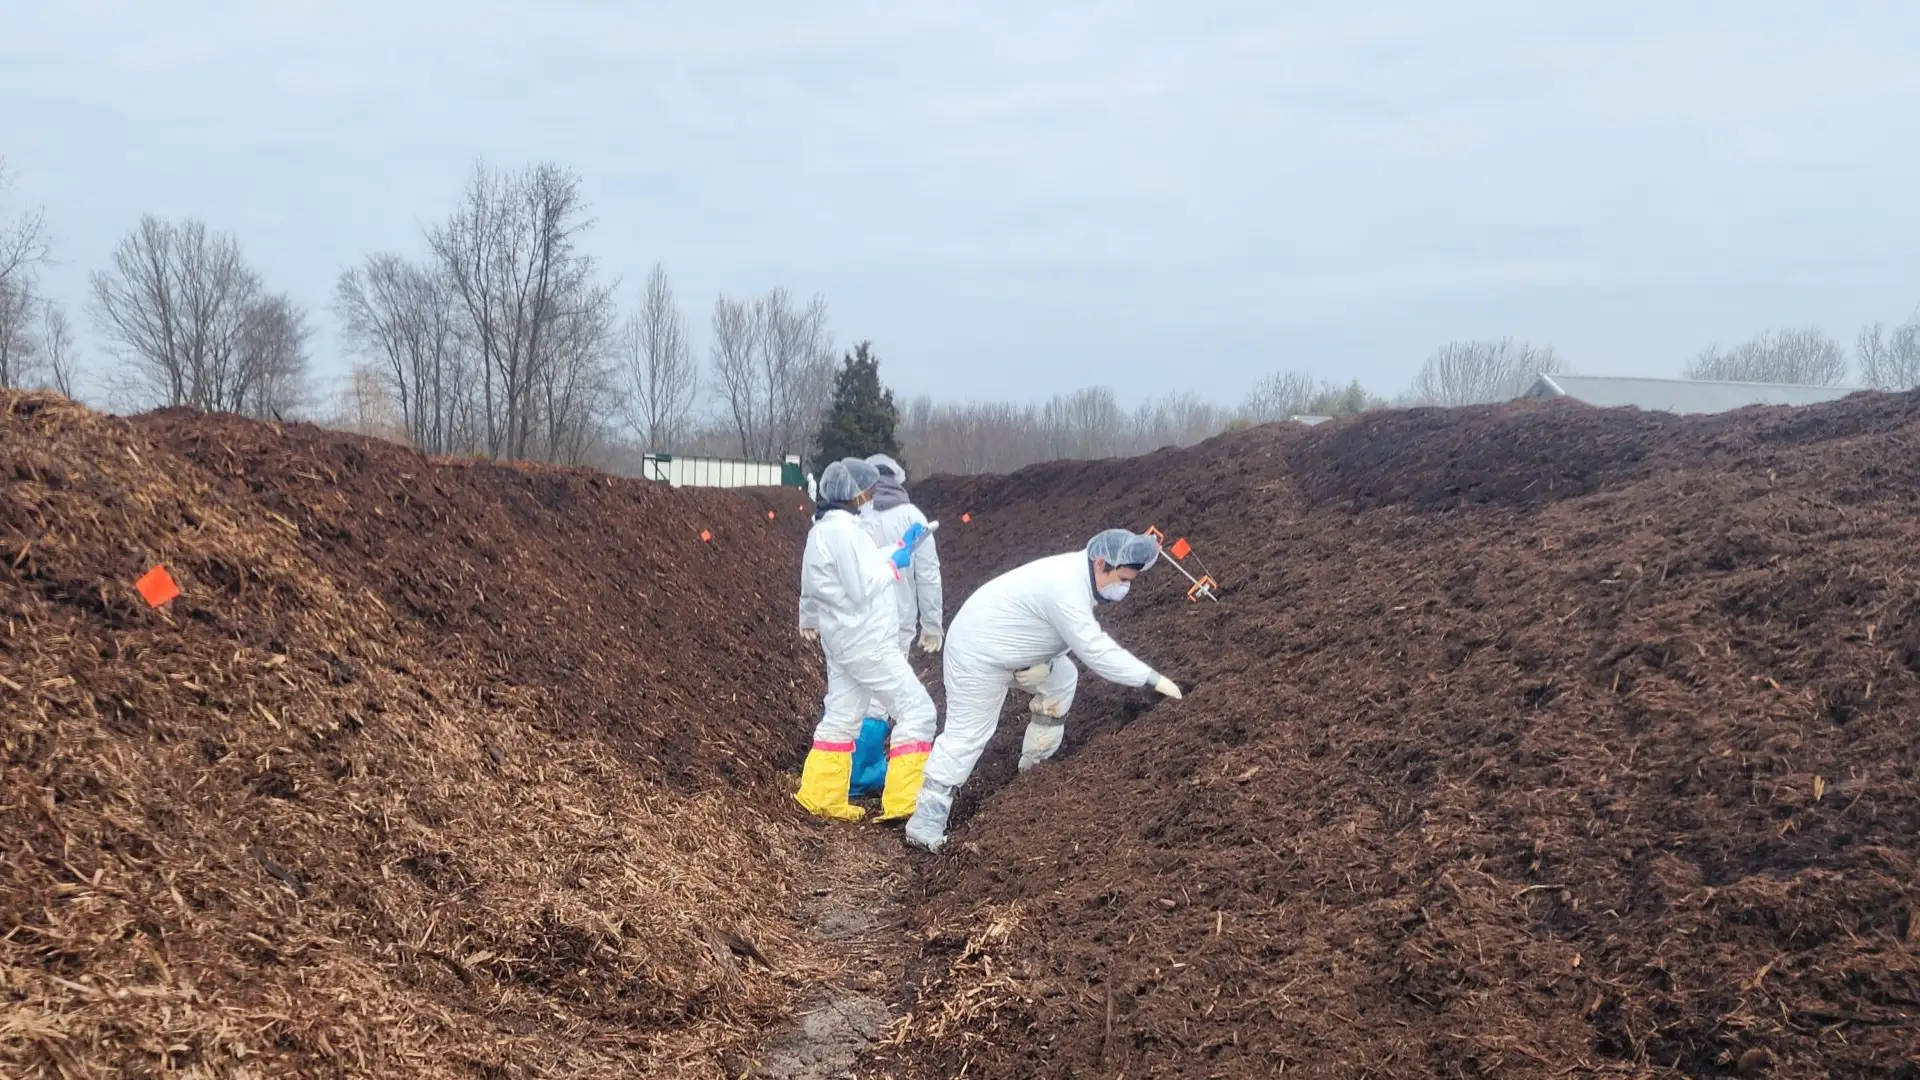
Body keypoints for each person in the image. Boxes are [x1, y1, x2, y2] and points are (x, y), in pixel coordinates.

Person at [903, 528, 1184, 853]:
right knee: (968, 734)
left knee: (1062, 677)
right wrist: (1151, 679)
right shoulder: (1064, 585)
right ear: (1102, 563)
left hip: (1013, 649)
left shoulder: (1084, 574)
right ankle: (926, 824)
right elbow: (1095, 649)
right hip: (978, 656)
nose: (1125, 587)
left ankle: (1034, 773)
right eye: (1122, 578)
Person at [795, 458, 940, 823]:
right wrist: (895, 565)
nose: (869, 496)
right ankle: (906, 801)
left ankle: (821, 795)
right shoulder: (845, 532)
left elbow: (834, 577)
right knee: (918, 712)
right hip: (867, 642)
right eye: (865, 490)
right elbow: (861, 587)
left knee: (842, 716)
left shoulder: (822, 531)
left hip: (842, 641)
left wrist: (892, 551)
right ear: (852, 494)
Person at [847, 453, 944, 798]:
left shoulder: (859, 515)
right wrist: (932, 624)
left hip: (857, 617)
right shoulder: (910, 516)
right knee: (885, 695)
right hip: (896, 619)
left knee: (856, 687)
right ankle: (865, 772)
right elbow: (928, 574)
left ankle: (848, 761)